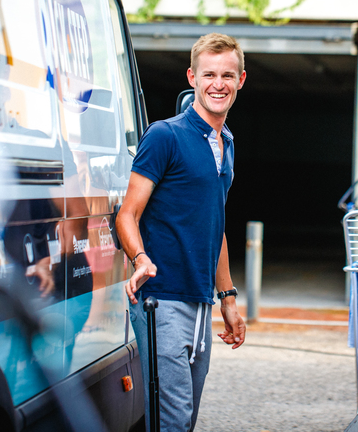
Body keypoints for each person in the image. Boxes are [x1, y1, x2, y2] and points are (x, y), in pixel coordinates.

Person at [117, 33, 247, 431]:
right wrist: (140, 259)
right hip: (161, 299)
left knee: (183, 420)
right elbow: (127, 214)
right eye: (209, 74)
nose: (218, 84)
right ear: (192, 77)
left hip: (199, 302)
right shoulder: (165, 135)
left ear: (241, 79)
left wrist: (227, 298)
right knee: (172, 421)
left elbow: (216, 226)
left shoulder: (225, 143)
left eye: (227, 75)